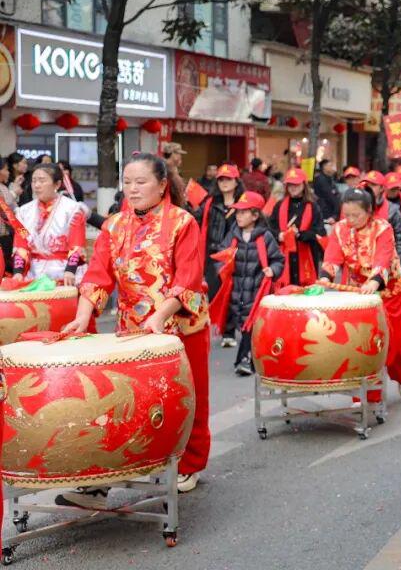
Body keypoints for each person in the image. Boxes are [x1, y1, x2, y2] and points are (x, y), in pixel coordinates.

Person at [59, 152, 211, 498]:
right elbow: (97, 276)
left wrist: (160, 315)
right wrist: (82, 316)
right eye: (127, 182)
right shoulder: (114, 226)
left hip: (180, 325)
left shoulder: (183, 222)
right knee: (127, 402)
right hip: (133, 329)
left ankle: (189, 463)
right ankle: (111, 472)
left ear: (162, 185)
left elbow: (188, 279)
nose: (132, 189)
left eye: (141, 182)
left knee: (187, 397)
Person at [321, 188, 401, 402]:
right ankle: (367, 396)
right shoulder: (340, 229)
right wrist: (326, 277)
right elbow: (333, 256)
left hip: (388, 290)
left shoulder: (382, 228)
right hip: (358, 292)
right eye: (347, 215)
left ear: (369, 211)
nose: (351, 220)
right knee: (362, 342)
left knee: (393, 342)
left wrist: (374, 281)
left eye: (356, 215)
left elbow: (383, 258)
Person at [212, 192, 284, 375]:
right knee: (244, 325)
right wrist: (222, 267)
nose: (239, 216)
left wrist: (272, 270)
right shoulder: (233, 235)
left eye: (243, 212)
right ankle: (254, 359)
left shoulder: (265, 237)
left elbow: (278, 259)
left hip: (257, 291)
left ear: (255, 215)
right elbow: (222, 253)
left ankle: (244, 361)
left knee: (249, 326)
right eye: (238, 212)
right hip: (236, 291)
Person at [11, 163, 88, 284]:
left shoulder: (73, 210)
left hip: (64, 273)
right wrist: (18, 272)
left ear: (57, 184)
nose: (36, 185)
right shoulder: (23, 212)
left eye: (42, 181)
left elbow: (76, 245)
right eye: (34, 181)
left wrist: (70, 270)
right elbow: (21, 245)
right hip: (34, 273)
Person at [196, 163, 245, 339]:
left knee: (233, 293)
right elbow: (196, 220)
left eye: (228, 179)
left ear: (236, 181)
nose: (224, 183)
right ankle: (221, 326)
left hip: (236, 255)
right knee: (215, 292)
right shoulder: (210, 203)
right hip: (214, 256)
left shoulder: (243, 203)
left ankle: (229, 332)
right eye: (221, 179)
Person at [270, 169, 325, 288]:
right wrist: (280, 236)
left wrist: (299, 235)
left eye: (296, 184)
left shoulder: (313, 206)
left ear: (304, 185)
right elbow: (270, 230)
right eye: (290, 184)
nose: (292, 187)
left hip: (307, 256)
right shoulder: (279, 206)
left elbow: (320, 233)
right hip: (284, 257)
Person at [313, 159, 341, 224]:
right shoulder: (320, 179)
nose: (333, 168)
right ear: (324, 167)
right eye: (330, 165)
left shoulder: (330, 178)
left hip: (332, 214)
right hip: (326, 215)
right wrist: (335, 215)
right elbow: (330, 197)